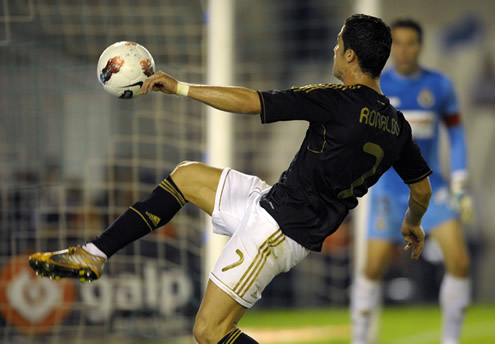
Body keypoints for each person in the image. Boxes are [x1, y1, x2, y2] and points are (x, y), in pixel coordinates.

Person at [29, 14, 432, 344]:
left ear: (349, 55)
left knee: (209, 331)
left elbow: (252, 102)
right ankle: (95, 254)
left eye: (337, 43)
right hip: (274, 204)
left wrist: (181, 88)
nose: (332, 50)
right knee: (185, 176)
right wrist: (412, 223)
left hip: (279, 229)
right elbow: (421, 188)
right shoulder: (397, 127)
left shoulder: (336, 99)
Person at [351, 19, 473, 344]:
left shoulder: (440, 86)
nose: (404, 50)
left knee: (459, 261)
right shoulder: (376, 86)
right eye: (398, 44)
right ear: (391, 49)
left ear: (420, 47)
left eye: (410, 43)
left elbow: (457, 134)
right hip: (388, 192)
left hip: (434, 189)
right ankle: (359, 340)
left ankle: (451, 340)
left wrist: (460, 181)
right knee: (373, 268)